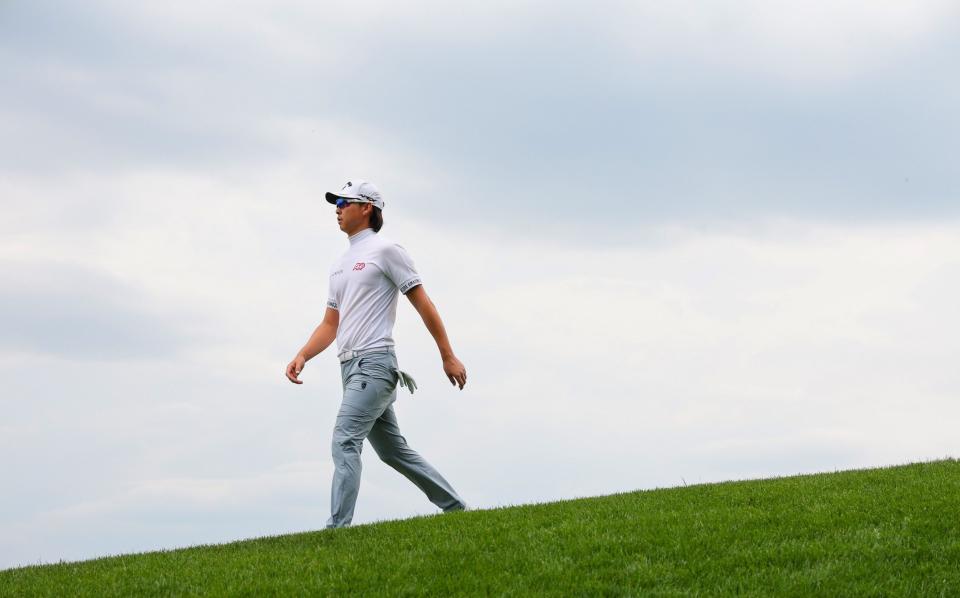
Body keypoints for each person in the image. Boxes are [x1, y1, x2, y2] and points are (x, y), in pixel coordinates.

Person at [285, 179, 468, 528]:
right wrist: (303, 354)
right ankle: (457, 510)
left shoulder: (387, 251)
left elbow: (423, 303)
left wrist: (447, 354)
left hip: (375, 364)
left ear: (367, 207)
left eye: (343, 202)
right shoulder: (340, 264)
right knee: (393, 452)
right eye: (335, 203)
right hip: (350, 368)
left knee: (344, 439)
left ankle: (337, 531)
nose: (337, 208)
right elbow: (330, 324)